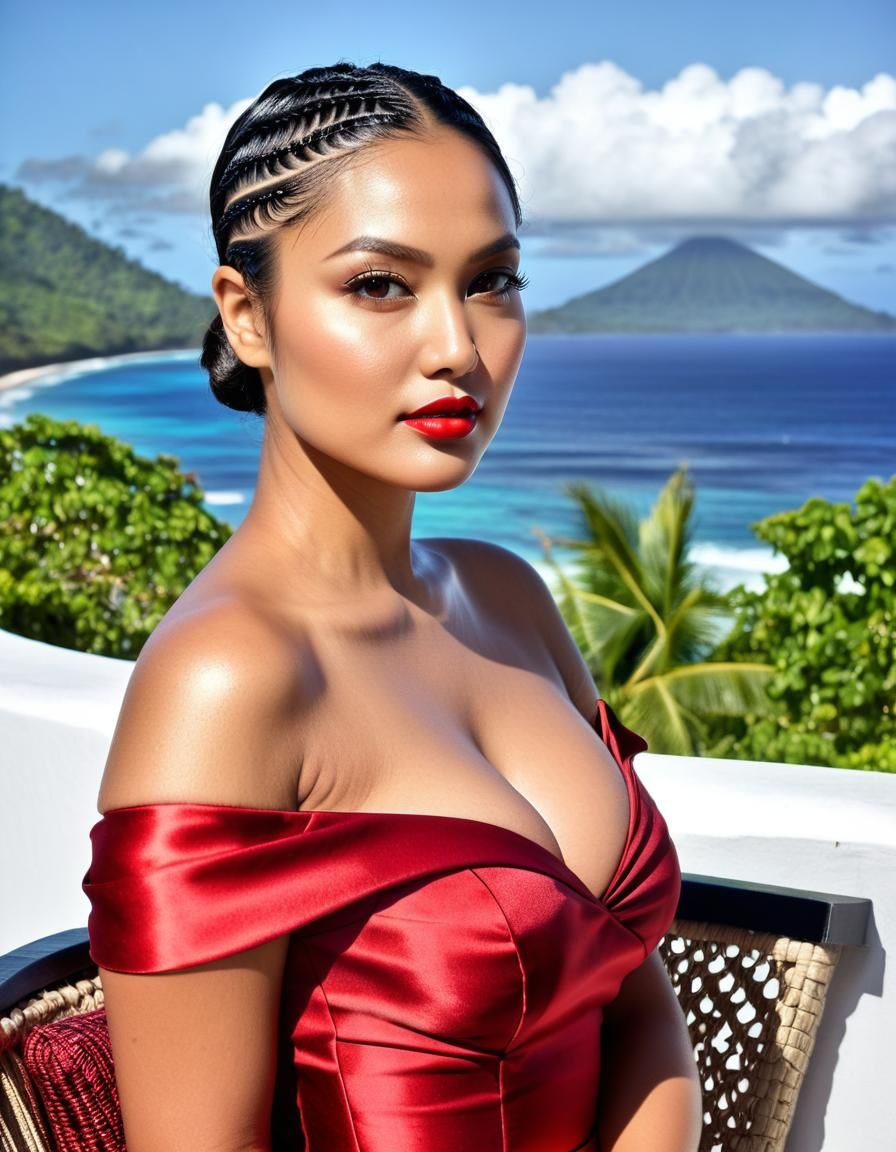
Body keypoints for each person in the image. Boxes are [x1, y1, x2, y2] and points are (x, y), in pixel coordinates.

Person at [82, 61, 702, 1152]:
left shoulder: (505, 595)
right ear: (248, 316)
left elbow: (635, 1006)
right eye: (380, 285)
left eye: (492, 280)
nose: (458, 346)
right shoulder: (227, 683)